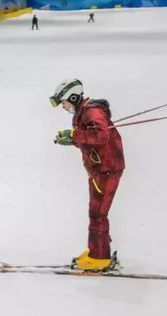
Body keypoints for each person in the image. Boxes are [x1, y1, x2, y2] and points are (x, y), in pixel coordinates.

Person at [50, 79, 125, 271]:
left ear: (73, 97)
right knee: (95, 212)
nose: (63, 107)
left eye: (64, 102)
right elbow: (89, 139)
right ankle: (96, 252)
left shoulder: (92, 112)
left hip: (107, 168)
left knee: (98, 213)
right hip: (99, 168)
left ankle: (100, 258)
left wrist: (74, 135)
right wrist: (71, 140)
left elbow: (101, 136)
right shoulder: (83, 113)